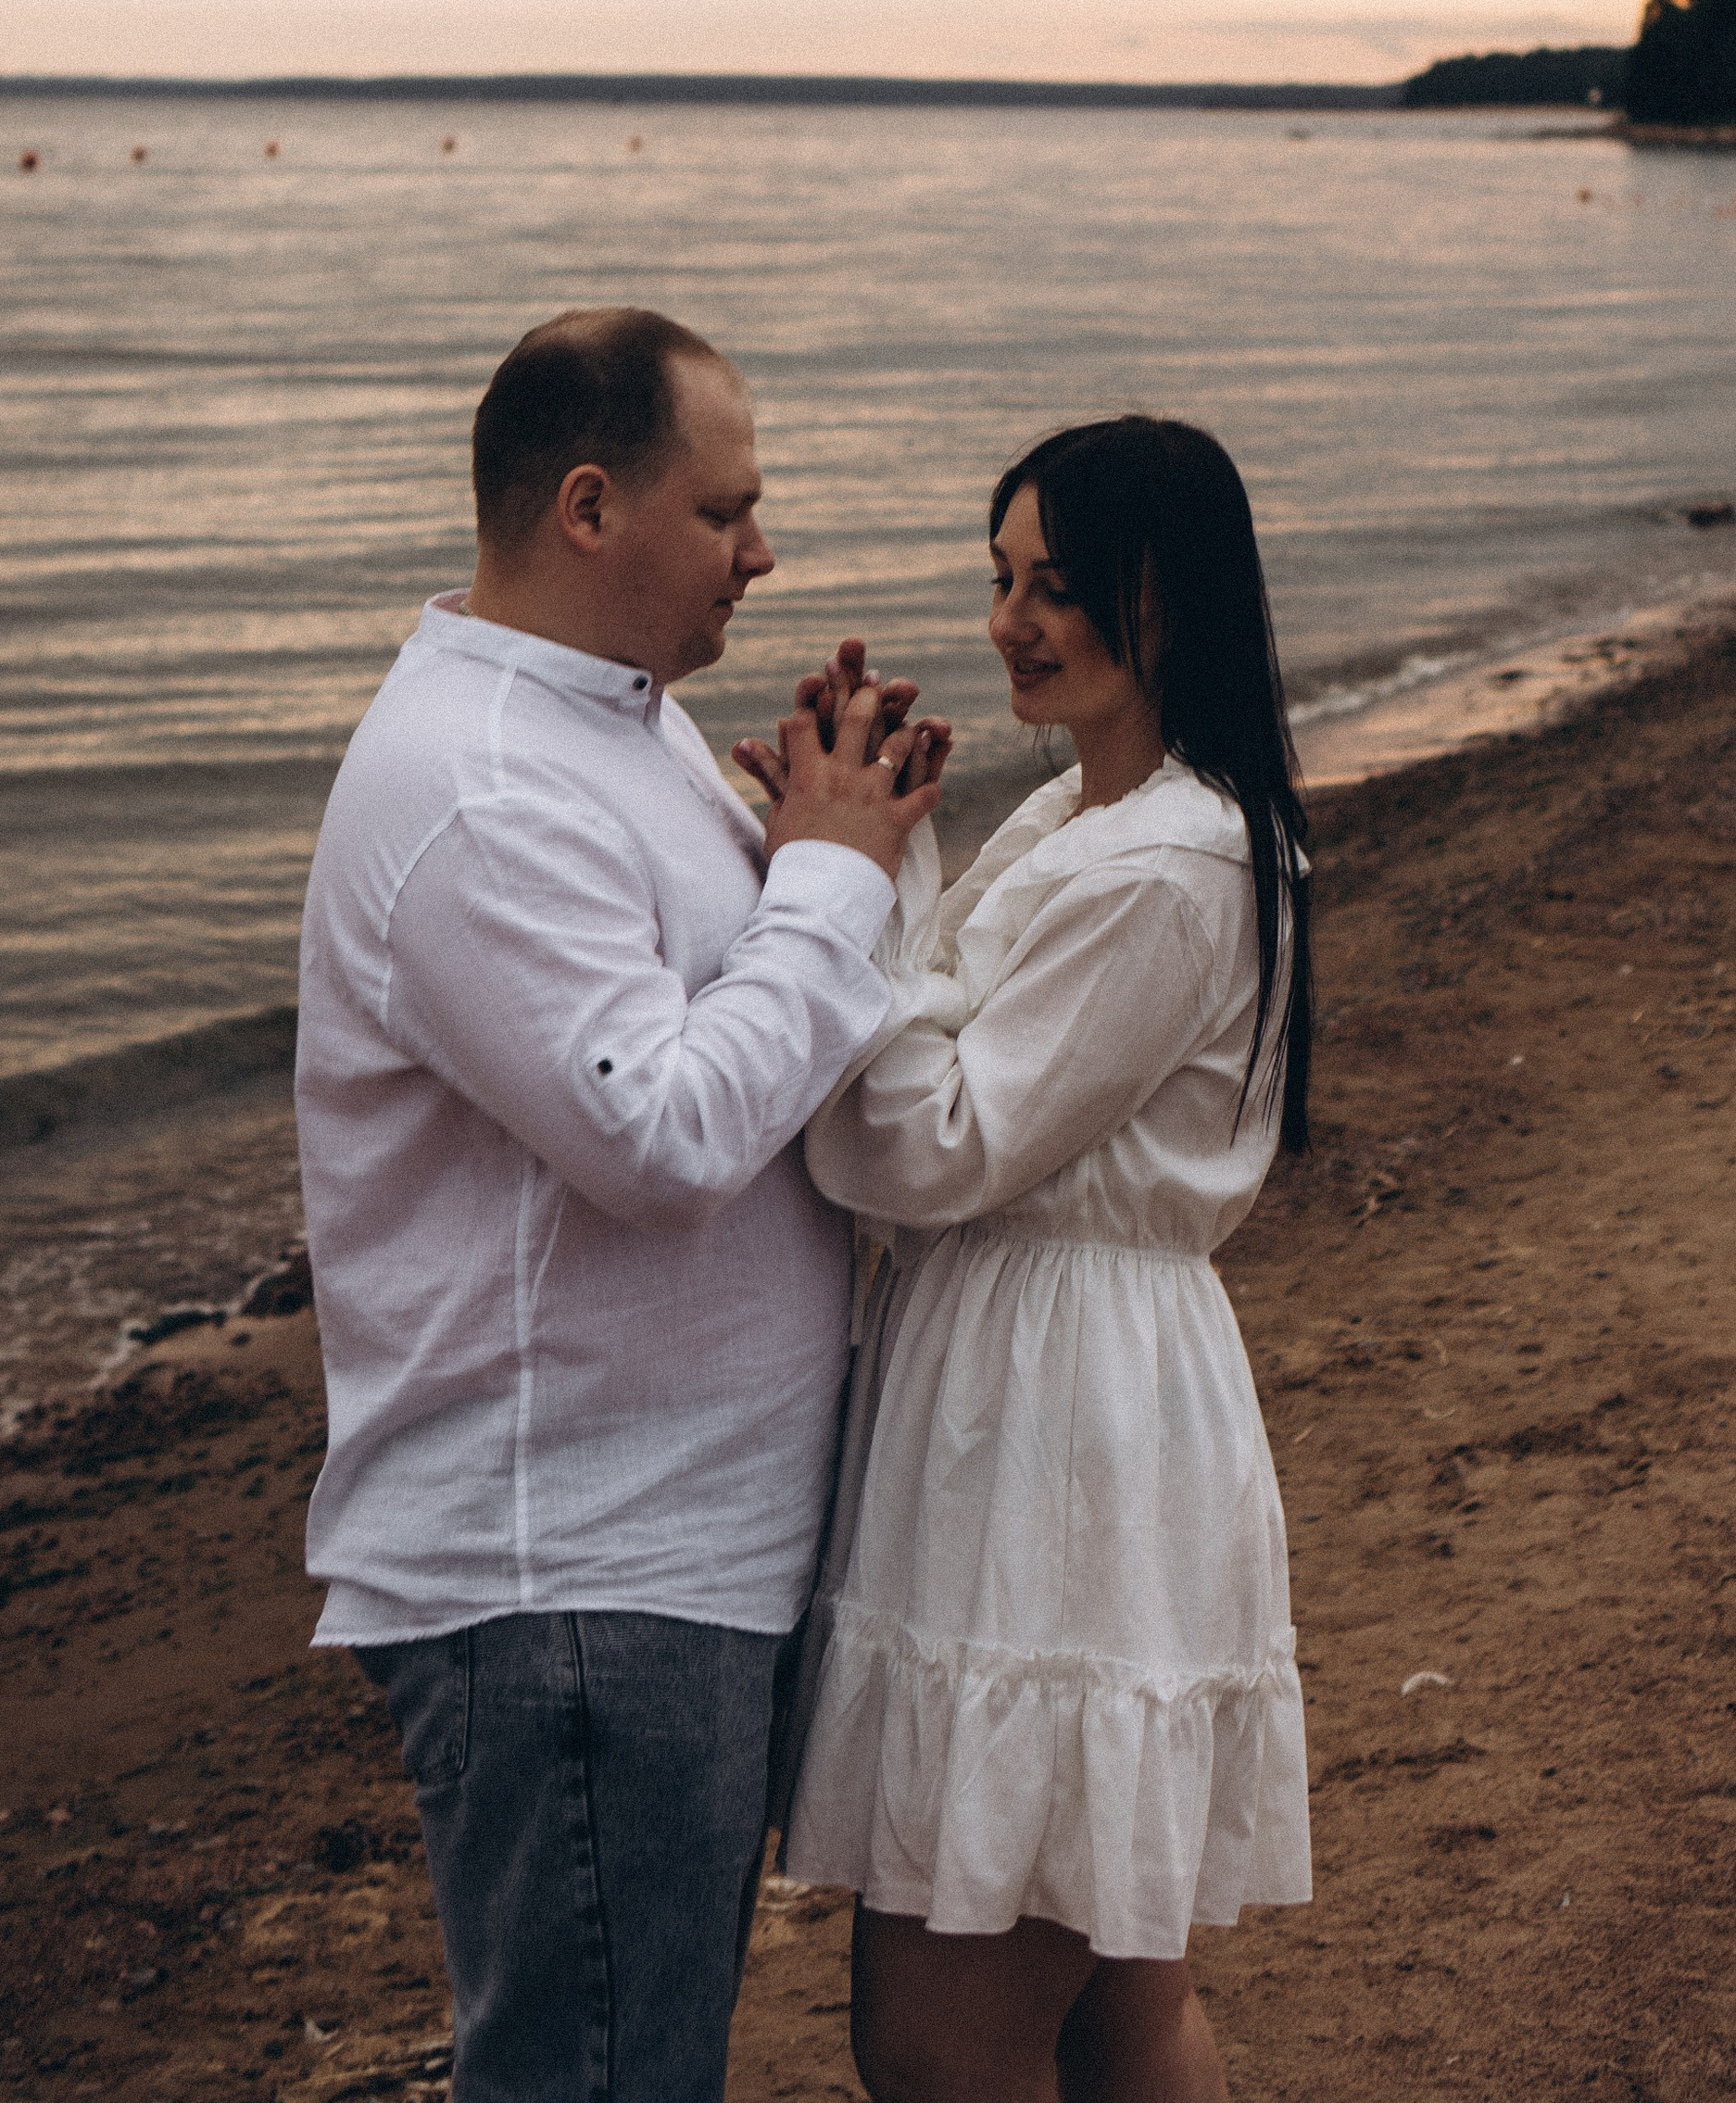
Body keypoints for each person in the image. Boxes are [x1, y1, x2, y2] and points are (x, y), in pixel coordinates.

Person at [295, 307, 946, 2103]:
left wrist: (817, 831)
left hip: (663, 1550)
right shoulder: (479, 785)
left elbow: (728, 1021)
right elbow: (654, 1135)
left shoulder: (620, 726)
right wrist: (822, 878)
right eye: (725, 511)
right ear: (588, 508)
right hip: (571, 1571)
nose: (765, 551)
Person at [775, 413, 1315, 2103]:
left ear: (1168, 598)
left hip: (1056, 1415)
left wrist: (839, 883)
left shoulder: (1164, 862)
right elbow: (952, 1094)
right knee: (1108, 2006)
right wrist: (882, 856)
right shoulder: (1111, 818)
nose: (1013, 621)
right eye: (1001, 578)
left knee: (940, 2036)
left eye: (1058, 585)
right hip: (1071, 1381)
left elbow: (920, 1144)